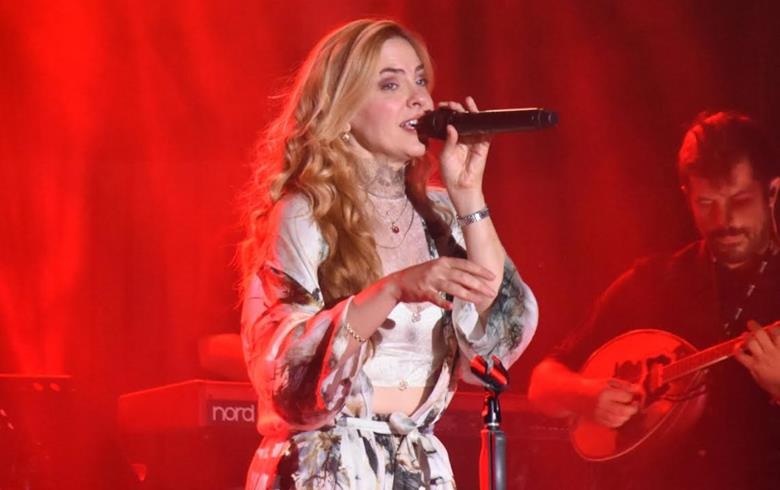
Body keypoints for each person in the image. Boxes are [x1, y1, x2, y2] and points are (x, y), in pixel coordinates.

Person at [238, 19, 538, 489]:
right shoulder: (307, 213)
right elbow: (287, 374)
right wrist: (394, 289)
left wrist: (468, 194)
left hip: (417, 467)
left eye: (420, 80)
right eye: (391, 85)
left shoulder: (441, 213)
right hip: (328, 467)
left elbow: (497, 338)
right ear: (343, 110)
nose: (420, 99)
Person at [528, 111, 780, 490]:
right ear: (687, 196)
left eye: (740, 199)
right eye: (706, 202)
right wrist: (587, 396)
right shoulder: (656, 280)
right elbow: (543, 382)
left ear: (772, 193)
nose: (723, 220)